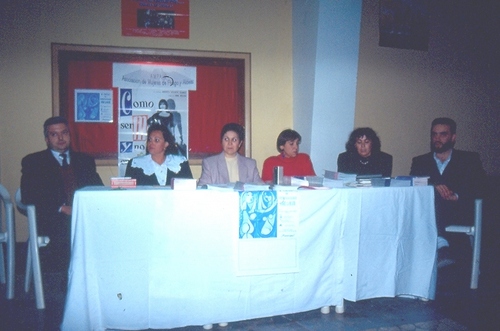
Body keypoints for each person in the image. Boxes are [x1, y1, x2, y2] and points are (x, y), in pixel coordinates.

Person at [20, 116, 104, 273]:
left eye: (64, 132)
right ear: (46, 139)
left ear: (70, 135)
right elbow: (29, 195)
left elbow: (97, 189)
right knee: (65, 237)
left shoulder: (84, 161)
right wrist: (62, 208)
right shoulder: (34, 162)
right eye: (54, 134)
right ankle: (68, 287)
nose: (60, 138)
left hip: (84, 217)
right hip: (54, 219)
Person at [410, 117, 486, 267]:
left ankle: (442, 244)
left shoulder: (469, 159)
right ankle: (442, 246)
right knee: (429, 197)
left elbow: (480, 187)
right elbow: (413, 185)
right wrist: (433, 185)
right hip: (428, 213)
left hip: (458, 211)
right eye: (434, 134)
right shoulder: (420, 161)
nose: (437, 138)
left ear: (453, 137)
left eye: (443, 134)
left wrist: (456, 196)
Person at [125, 123, 192, 185]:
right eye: (149, 140)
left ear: (166, 144)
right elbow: (127, 192)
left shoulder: (180, 163)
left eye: (156, 140)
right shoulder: (135, 164)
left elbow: (189, 188)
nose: (151, 143)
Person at [198, 123, 263, 185]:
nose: (230, 143)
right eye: (226, 139)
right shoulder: (210, 164)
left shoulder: (250, 164)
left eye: (234, 140)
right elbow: (202, 189)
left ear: (240, 143)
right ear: (221, 141)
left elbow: (261, 188)